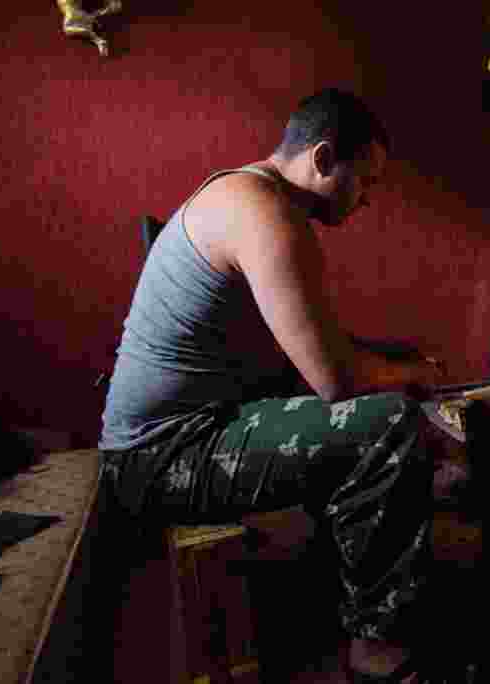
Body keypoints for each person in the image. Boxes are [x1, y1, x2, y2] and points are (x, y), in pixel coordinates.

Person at [98, 88, 454, 682]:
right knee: (388, 424)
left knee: (370, 399)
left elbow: (312, 346)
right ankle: (376, 646)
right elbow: (334, 378)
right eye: (364, 182)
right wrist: (412, 376)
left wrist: (393, 356)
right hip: (160, 457)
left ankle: (344, 582)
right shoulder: (265, 215)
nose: (366, 201)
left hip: (188, 431)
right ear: (320, 160)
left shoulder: (241, 194)